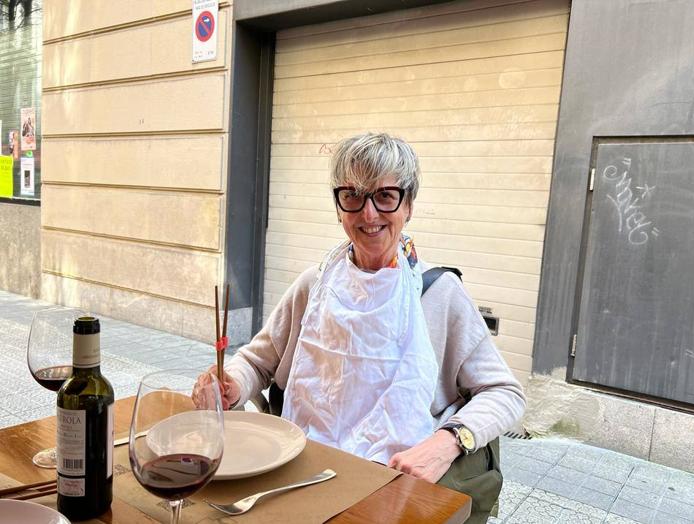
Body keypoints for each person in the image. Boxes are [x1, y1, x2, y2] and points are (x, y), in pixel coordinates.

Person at [197, 132, 525, 523]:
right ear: (338, 208)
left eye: (385, 196)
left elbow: (505, 393)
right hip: (299, 474)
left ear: (409, 206)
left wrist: (447, 442)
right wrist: (231, 383)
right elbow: (256, 362)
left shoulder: (439, 294)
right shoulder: (313, 286)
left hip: (396, 485)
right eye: (352, 195)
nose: (368, 214)